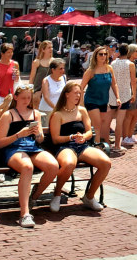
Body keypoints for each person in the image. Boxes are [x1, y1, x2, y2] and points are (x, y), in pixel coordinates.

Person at [0, 84, 59, 228]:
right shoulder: (8, 115)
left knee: (53, 166)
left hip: (32, 147)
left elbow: (40, 139)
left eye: (28, 98)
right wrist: (19, 134)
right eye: (23, 98)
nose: (26, 101)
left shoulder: (35, 113)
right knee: (27, 167)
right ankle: (24, 213)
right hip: (13, 149)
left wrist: (38, 134)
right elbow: (0, 143)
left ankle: (34, 196)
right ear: (16, 97)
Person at [48, 81, 111, 212]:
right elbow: (55, 139)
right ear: (67, 94)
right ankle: (57, 194)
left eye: (80, 93)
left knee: (106, 163)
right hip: (65, 147)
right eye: (75, 93)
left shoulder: (82, 111)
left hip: (82, 146)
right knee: (69, 164)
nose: (78, 95)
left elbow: (89, 131)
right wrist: (71, 137)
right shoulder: (58, 114)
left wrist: (84, 137)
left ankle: (89, 196)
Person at [80, 46, 121, 145]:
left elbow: (114, 84)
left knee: (104, 124)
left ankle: (102, 143)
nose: (103, 56)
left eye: (105, 54)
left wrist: (118, 97)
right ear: (96, 56)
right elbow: (81, 88)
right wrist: (81, 103)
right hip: (91, 101)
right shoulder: (90, 71)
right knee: (97, 125)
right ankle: (97, 146)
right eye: (101, 54)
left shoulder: (109, 68)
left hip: (104, 101)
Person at [110, 44, 136, 152]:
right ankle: (117, 145)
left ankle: (106, 143)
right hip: (125, 94)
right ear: (128, 51)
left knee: (108, 120)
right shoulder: (130, 64)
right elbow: (133, 81)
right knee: (119, 122)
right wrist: (134, 94)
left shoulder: (113, 63)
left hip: (112, 94)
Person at [121, 45, 137, 146]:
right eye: (136, 51)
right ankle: (125, 137)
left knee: (136, 114)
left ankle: (130, 135)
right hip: (131, 91)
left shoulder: (135, 62)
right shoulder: (127, 64)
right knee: (129, 115)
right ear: (130, 52)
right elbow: (130, 80)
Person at [39, 58, 67, 127]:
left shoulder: (64, 78)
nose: (63, 70)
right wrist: (56, 108)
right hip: (47, 110)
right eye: (60, 69)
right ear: (53, 70)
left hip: (59, 110)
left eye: (63, 68)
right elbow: (46, 97)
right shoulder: (46, 80)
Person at [29, 39, 53, 109]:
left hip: (50, 91)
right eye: (49, 48)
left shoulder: (54, 62)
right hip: (37, 91)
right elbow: (32, 78)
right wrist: (30, 92)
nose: (51, 49)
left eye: (51, 47)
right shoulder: (37, 62)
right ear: (43, 50)